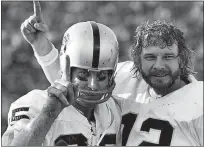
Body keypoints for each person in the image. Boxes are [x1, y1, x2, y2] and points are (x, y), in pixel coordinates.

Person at [30, 10, 203, 145]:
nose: (158, 65)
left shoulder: (199, 101)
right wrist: (42, 48)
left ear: (182, 59)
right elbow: (72, 87)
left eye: (168, 57)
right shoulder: (125, 76)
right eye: (150, 57)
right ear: (137, 61)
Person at [2, 1, 122, 146]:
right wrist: (48, 113)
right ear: (66, 69)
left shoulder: (114, 110)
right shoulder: (34, 104)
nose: (93, 85)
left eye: (102, 76)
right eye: (83, 74)